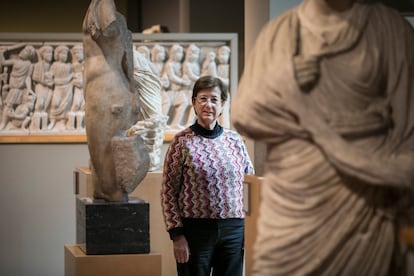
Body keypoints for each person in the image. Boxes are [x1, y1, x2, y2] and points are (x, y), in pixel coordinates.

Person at [231, 0, 414, 275]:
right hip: (293, 202)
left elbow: (409, 131)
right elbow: (245, 113)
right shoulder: (280, 32)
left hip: (365, 202)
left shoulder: (389, 30)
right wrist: (284, 85)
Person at [161, 75, 254, 276]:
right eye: (203, 99)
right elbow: (168, 192)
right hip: (195, 232)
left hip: (234, 231)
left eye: (214, 99)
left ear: (222, 104)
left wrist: (251, 229)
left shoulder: (235, 141)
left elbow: (249, 185)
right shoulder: (181, 142)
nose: (208, 105)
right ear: (194, 102)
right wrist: (177, 235)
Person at [31, 45, 54, 131]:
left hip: (49, 87)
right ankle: (36, 126)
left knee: (47, 105)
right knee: (40, 103)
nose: (50, 55)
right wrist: (45, 82)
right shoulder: (38, 65)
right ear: (42, 54)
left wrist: (51, 82)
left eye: (51, 53)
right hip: (40, 86)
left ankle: (44, 126)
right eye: (47, 53)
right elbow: (35, 77)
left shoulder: (52, 65)